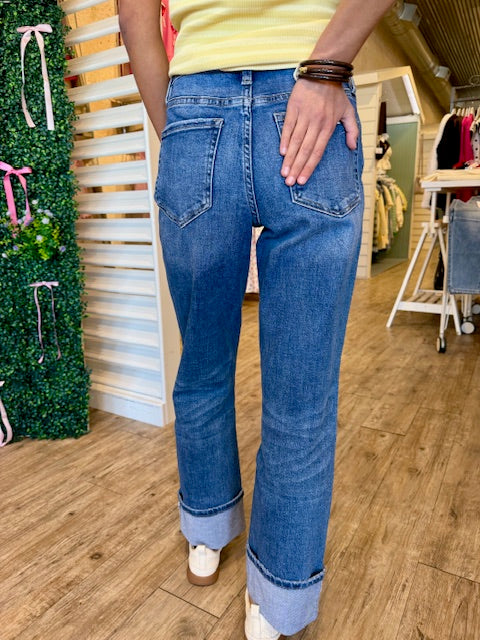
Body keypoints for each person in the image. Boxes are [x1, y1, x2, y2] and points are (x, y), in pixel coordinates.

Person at [119, 1, 394, 637]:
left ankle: (208, 527)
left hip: (197, 107)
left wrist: (179, 129)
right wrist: (327, 67)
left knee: (202, 365)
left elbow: (134, 15)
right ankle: (279, 597)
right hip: (311, 94)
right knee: (302, 396)